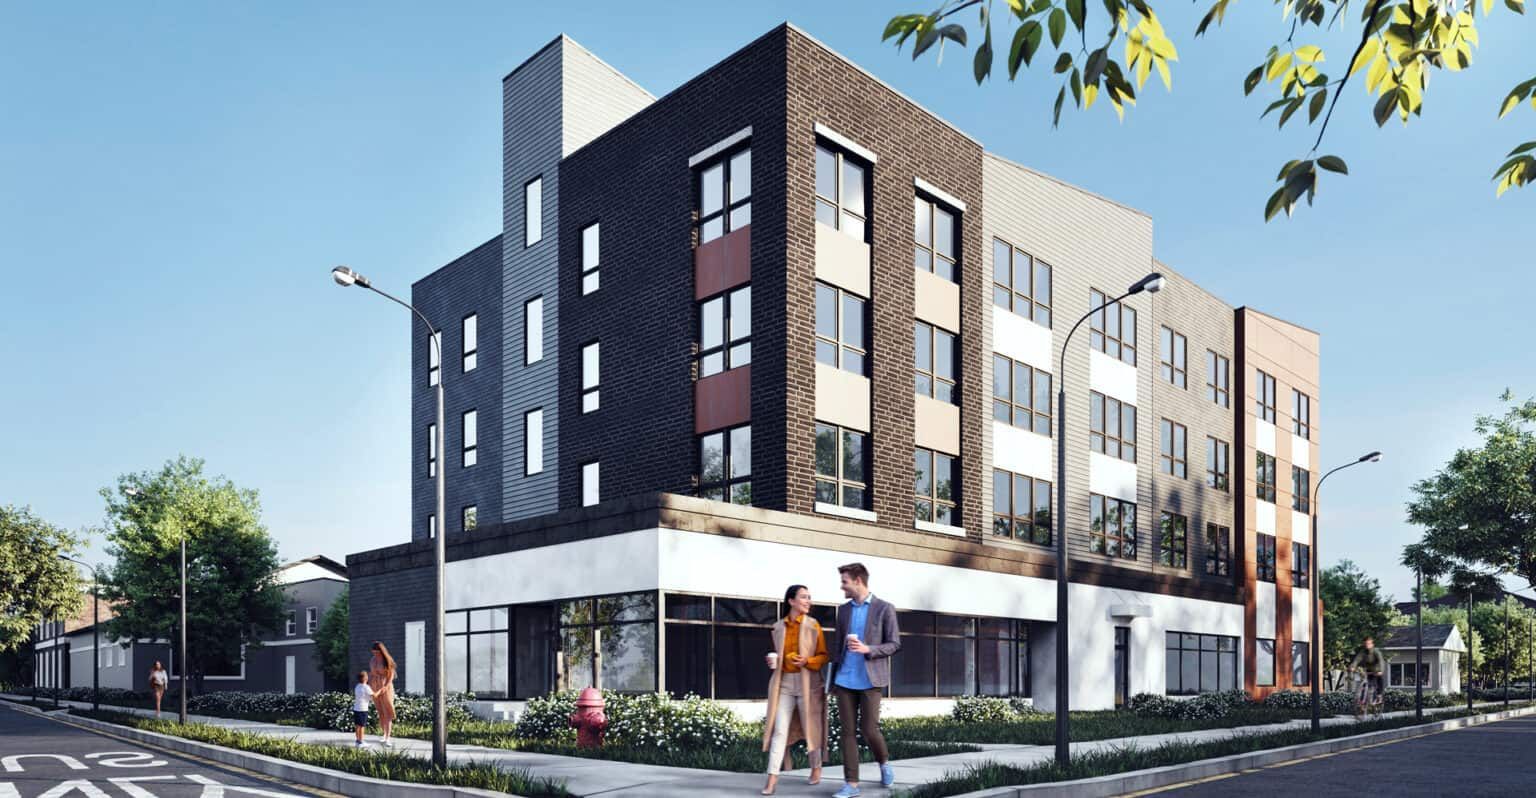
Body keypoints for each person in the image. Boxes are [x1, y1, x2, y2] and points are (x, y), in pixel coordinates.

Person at [828, 563, 900, 798]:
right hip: (845, 679)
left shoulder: (884, 608)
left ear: (858, 581)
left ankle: (884, 763)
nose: (842, 586)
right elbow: (838, 646)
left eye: (845, 581)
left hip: (870, 679)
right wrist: (832, 680)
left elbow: (894, 644)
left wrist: (868, 648)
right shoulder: (844, 610)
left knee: (869, 729)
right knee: (847, 732)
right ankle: (852, 784)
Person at [761, 584, 829, 796]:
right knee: (779, 731)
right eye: (803, 597)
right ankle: (772, 779)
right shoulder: (778, 627)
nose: (808, 601)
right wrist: (774, 662)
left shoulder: (813, 625)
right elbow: (779, 656)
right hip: (784, 684)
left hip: (808, 682)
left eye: (809, 597)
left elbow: (824, 655)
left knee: (812, 727)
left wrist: (807, 660)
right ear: (791, 601)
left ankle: (816, 768)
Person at [367, 641, 397, 747]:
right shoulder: (372, 660)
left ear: (381, 651)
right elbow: (371, 674)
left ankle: (388, 737)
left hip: (385, 687)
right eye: (373, 652)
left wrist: (385, 687)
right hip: (375, 686)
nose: (375, 654)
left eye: (377, 652)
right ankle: (384, 734)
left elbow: (390, 676)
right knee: (381, 712)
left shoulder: (387, 660)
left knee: (387, 711)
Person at [1350, 636, 1386, 710]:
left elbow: (1381, 661)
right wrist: (1353, 667)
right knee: (1366, 683)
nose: (1367, 645)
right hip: (1368, 670)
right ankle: (1362, 701)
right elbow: (1357, 660)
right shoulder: (1363, 652)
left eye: (1369, 644)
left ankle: (1379, 696)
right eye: (1366, 644)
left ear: (1372, 644)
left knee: (1379, 680)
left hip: (1377, 669)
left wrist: (1381, 671)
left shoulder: (1376, 651)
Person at [352, 670, 375, 747]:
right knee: (362, 726)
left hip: (356, 708)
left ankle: (358, 741)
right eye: (367, 676)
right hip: (363, 709)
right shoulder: (366, 687)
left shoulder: (357, 686)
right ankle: (361, 742)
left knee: (358, 726)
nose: (368, 677)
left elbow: (367, 697)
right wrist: (381, 691)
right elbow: (373, 696)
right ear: (365, 678)